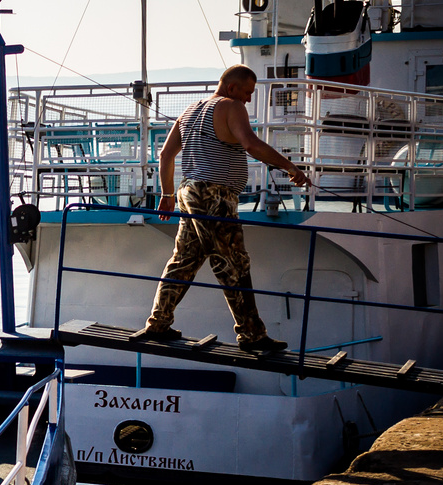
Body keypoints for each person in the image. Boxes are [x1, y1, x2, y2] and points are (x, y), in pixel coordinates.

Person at [133, 65, 312, 353]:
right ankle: (252, 335)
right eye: (248, 92)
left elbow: (166, 154)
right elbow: (250, 144)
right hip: (215, 196)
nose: (249, 100)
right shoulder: (231, 106)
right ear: (232, 88)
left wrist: (167, 195)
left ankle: (158, 324)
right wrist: (290, 167)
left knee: (183, 262)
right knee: (234, 263)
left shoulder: (190, 110)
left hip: (188, 192)